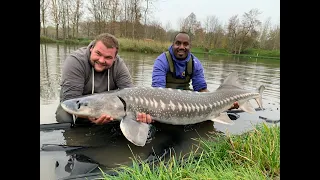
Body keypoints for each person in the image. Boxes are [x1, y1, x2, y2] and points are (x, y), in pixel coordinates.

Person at [137, 31, 239, 124]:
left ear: (190, 46)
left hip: (187, 98)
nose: (181, 47)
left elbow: (202, 90)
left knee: (207, 121)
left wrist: (224, 103)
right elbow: (156, 92)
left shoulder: (195, 63)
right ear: (173, 44)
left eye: (185, 44)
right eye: (178, 43)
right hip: (165, 102)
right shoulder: (162, 61)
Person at [55, 33, 135, 125]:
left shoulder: (119, 66)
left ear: (114, 58)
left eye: (108, 57)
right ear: (91, 48)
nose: (101, 60)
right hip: (82, 105)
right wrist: (92, 116)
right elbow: (70, 99)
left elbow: (130, 95)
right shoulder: (75, 61)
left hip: (107, 108)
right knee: (64, 115)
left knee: (128, 115)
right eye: (98, 53)